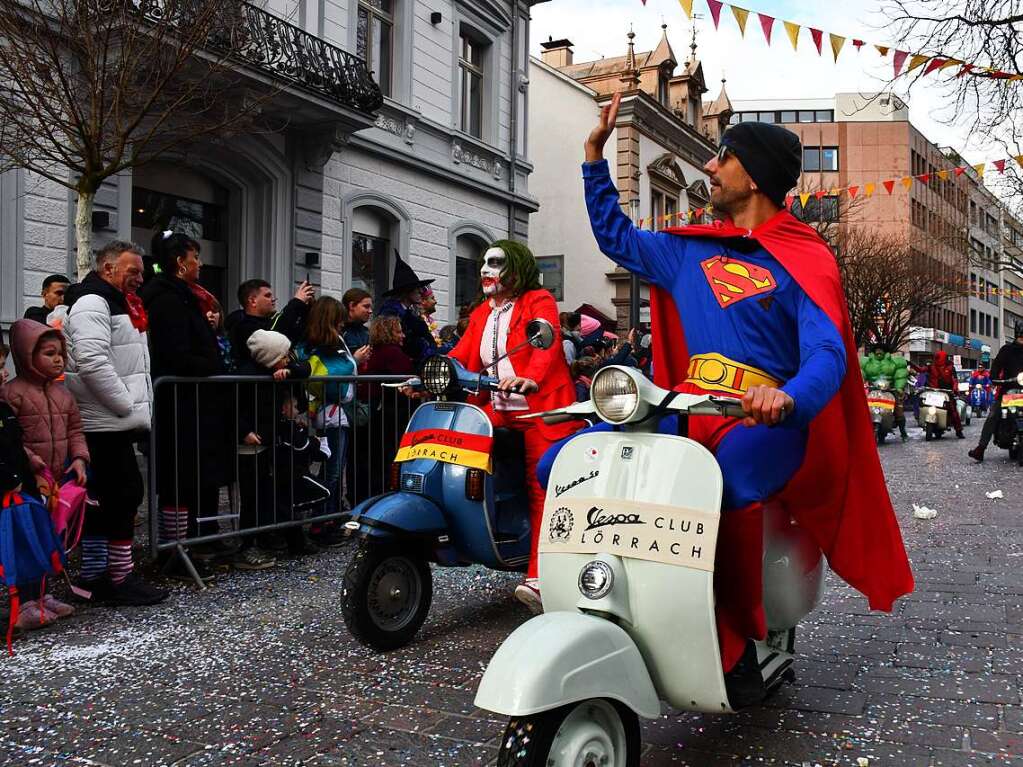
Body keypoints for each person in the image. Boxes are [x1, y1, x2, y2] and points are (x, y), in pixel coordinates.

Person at [567, 93, 913, 699]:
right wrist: (595, 159)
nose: (708, 168)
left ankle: (735, 636)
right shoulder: (685, 250)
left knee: (723, 486)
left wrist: (790, 400)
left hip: (763, 424)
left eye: (720, 157)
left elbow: (828, 353)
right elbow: (616, 237)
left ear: (750, 175)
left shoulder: (805, 260)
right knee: (573, 464)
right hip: (686, 410)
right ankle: (582, 587)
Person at [447, 240, 580, 612]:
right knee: (457, 443)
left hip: (540, 409)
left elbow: (545, 345)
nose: (486, 270)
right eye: (484, 263)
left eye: (495, 263)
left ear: (516, 269)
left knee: (542, 485)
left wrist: (532, 378)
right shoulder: (481, 314)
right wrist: (429, 372)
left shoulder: (538, 301)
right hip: (500, 407)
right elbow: (462, 354)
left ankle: (538, 576)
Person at [63, 241, 166, 606]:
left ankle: (101, 577)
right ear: (108, 269)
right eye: (133, 270)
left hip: (110, 420)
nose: (140, 278)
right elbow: (92, 361)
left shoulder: (116, 301)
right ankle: (108, 579)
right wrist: (125, 404)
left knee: (115, 499)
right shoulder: (94, 301)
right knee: (117, 498)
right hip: (103, 421)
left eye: (141, 270)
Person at [140, 231, 235, 581]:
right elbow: (176, 353)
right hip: (178, 405)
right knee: (178, 478)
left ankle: (186, 545)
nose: (200, 264)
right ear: (181, 262)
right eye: (196, 258)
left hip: (192, 404)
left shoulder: (184, 297)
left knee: (191, 478)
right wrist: (212, 366)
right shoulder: (166, 299)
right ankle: (174, 550)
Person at [0, 320, 88, 625]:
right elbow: (10, 440)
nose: (58, 359)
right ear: (26, 355)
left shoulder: (64, 395)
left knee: (50, 538)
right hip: (28, 482)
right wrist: (32, 461)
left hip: (57, 479)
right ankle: (24, 601)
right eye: (49, 353)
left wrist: (78, 459)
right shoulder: (13, 394)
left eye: (60, 353)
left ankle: (42, 595)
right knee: (27, 539)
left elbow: (76, 429)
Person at [297, 296, 370, 545]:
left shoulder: (332, 341)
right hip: (330, 414)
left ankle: (328, 518)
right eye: (339, 319)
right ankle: (321, 522)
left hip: (337, 412)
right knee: (332, 471)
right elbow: (331, 374)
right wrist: (354, 364)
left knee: (336, 470)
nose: (343, 323)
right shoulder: (321, 344)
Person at [237, 329, 314, 558]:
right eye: (283, 356)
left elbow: (305, 368)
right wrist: (244, 431)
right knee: (252, 496)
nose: (288, 358)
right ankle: (249, 544)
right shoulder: (246, 375)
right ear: (269, 357)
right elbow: (234, 407)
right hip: (253, 442)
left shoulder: (283, 369)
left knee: (281, 491)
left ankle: (290, 539)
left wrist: (289, 370)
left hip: (275, 440)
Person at [356, 316, 416, 499]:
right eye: (398, 331)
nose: (403, 335)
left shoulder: (377, 352)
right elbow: (407, 376)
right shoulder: (392, 353)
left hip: (379, 412)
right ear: (389, 333)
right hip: (390, 413)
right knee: (387, 457)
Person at [228, 278, 314, 372]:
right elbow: (274, 338)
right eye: (267, 295)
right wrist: (296, 302)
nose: (273, 299)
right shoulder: (243, 327)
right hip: (260, 385)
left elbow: (295, 335)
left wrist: (307, 307)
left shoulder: (270, 321)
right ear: (253, 301)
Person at [969, 323, 1023, 462]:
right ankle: (980, 449)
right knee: (993, 415)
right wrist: (994, 378)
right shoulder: (1007, 350)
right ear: (1017, 336)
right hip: (1008, 392)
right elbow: (997, 366)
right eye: (1021, 337)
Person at [378, 254, 437, 365]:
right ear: (407, 291)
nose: (421, 291)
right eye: (417, 288)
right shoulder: (390, 314)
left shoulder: (410, 314)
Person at [861, 345, 910, 442]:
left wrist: (898, 387)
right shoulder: (867, 362)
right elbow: (860, 373)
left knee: (898, 410)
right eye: (877, 350)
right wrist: (860, 384)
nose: (879, 352)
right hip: (873, 389)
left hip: (890, 390)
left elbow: (900, 374)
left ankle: (903, 432)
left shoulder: (893, 362)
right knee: (863, 408)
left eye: (881, 350)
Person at [916, 351, 964, 438]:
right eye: (936, 357)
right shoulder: (931, 366)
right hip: (932, 391)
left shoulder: (950, 367)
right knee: (921, 403)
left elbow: (954, 380)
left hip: (946, 392)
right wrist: (911, 365)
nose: (937, 359)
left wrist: (954, 389)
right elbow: (921, 370)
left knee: (953, 411)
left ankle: (958, 430)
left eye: (938, 357)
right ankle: (920, 419)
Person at [341, 288, 373, 353]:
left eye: (370, 307)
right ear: (351, 305)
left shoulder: (366, 332)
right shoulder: (338, 331)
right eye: (366, 306)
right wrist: (356, 360)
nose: (370, 311)